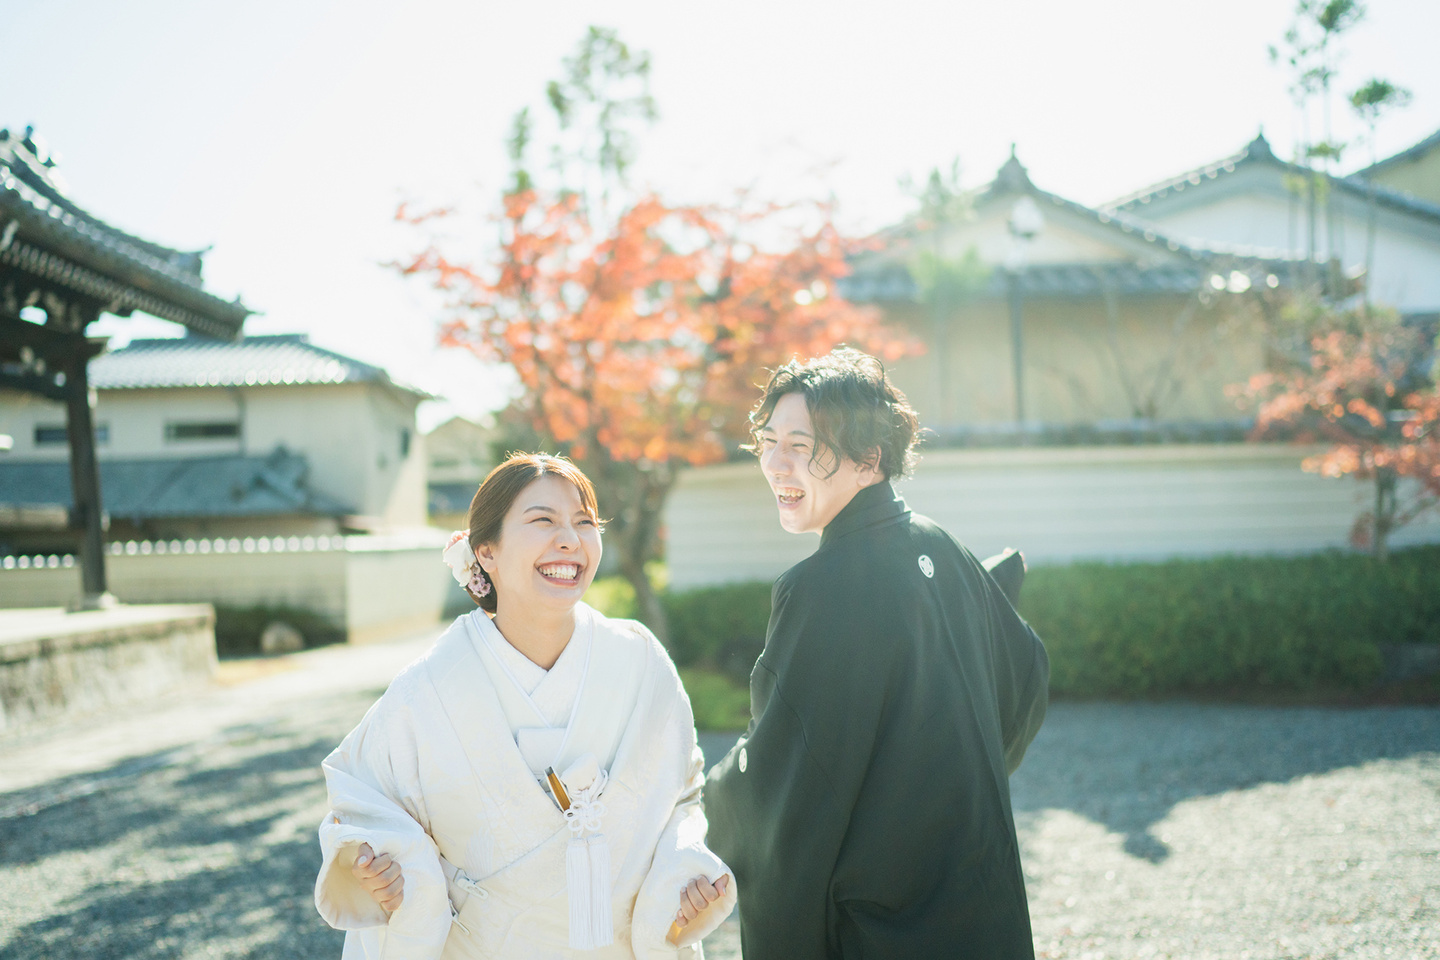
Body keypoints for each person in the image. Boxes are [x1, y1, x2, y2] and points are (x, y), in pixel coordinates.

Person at [314, 453, 735, 959]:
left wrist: (682, 874)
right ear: (485, 551)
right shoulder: (433, 684)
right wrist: (376, 868)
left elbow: (680, 800)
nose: (570, 539)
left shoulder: (640, 662)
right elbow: (363, 798)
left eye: (585, 522)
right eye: (544, 520)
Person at [703, 349, 1049, 959]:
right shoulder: (939, 545)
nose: (776, 464)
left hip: (882, 923)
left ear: (870, 460)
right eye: (768, 441)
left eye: (802, 446)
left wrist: (705, 803)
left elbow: (789, 768)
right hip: (976, 894)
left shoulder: (821, 586)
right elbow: (1025, 671)